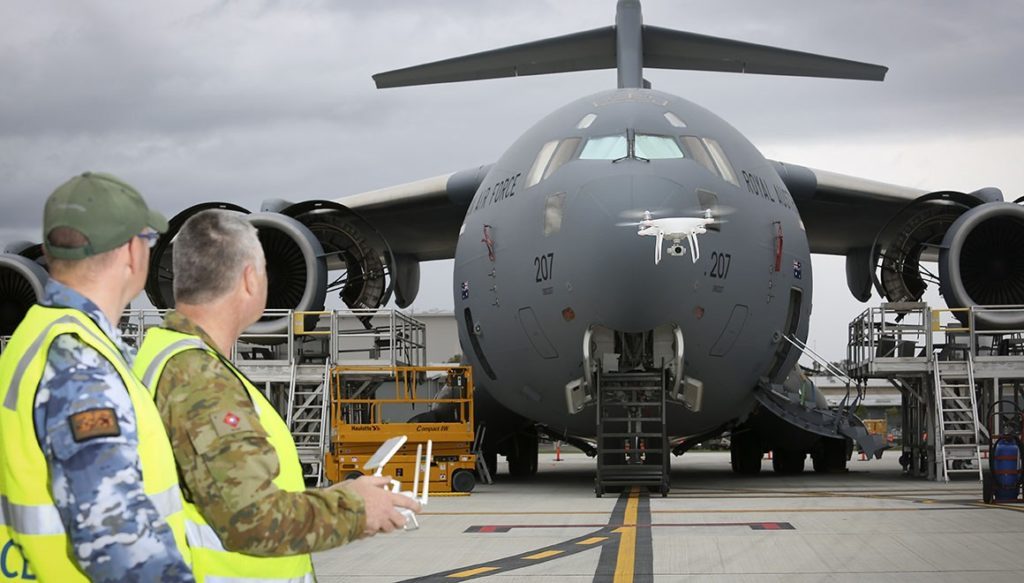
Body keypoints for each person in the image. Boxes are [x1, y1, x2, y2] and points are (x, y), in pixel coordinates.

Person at [134, 209, 420, 582]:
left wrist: (328, 496)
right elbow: (250, 520)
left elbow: (216, 489)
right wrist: (355, 509)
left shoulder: (163, 354)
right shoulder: (201, 379)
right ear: (250, 279)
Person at [0, 172, 193, 582]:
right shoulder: (80, 365)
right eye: (150, 242)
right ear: (130, 252)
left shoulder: (34, 337)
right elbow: (117, 541)